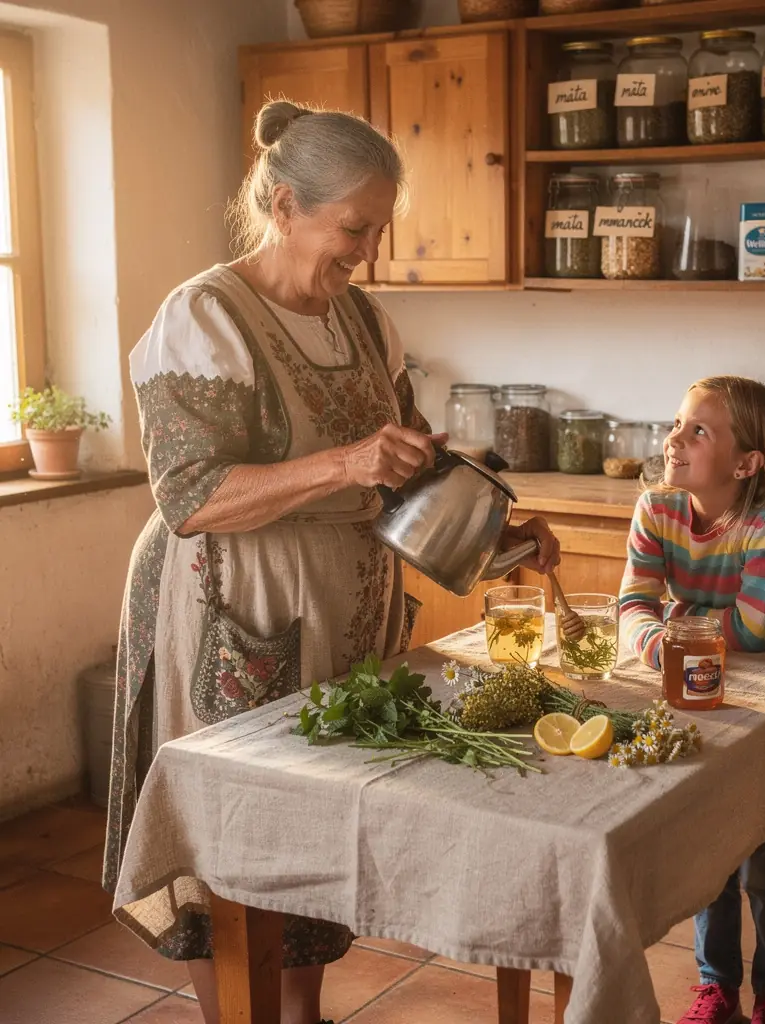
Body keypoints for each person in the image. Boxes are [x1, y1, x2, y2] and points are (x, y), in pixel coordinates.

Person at [101, 99, 560, 1024]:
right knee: (236, 832)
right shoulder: (205, 315)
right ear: (284, 205)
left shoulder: (364, 320)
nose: (368, 252)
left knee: (314, 828)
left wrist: (499, 534)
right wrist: (346, 463)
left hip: (344, 613)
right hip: (235, 607)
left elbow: (401, 480)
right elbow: (191, 499)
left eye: (378, 229)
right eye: (354, 228)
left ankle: (302, 1012)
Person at [619, 376, 765, 1024]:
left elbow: (757, 629)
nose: (675, 438)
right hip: (692, 691)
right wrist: (669, 640)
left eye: (699, 430)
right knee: (712, 856)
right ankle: (716, 986)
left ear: (746, 463)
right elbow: (631, 605)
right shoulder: (656, 508)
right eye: (677, 423)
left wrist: (673, 623)